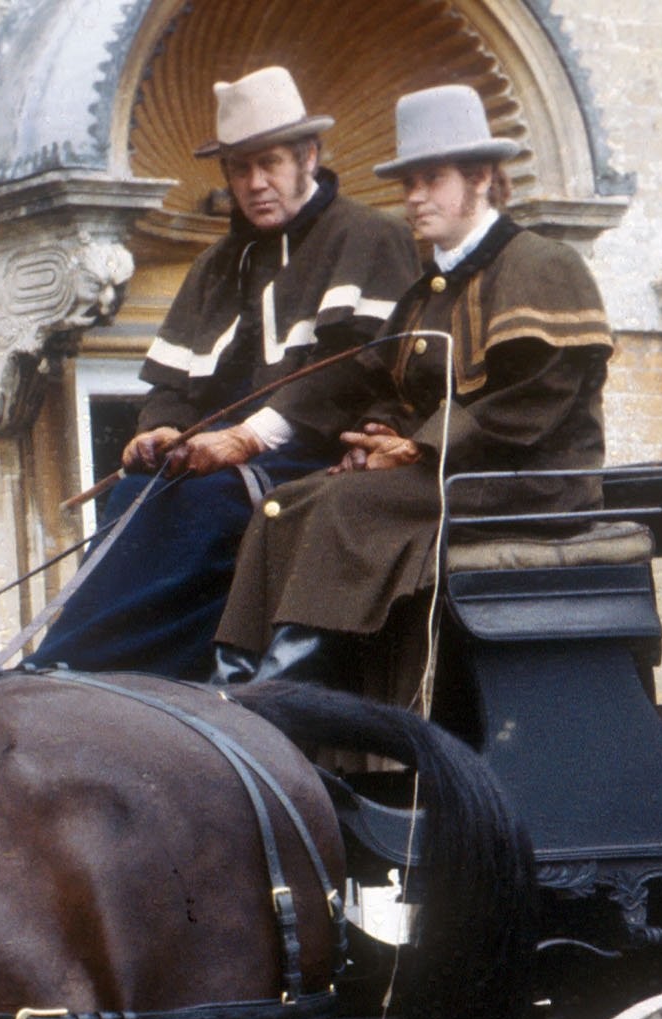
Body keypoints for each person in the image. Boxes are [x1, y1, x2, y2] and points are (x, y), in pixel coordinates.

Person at [211, 82, 612, 689]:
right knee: (283, 504)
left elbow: (538, 396)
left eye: (431, 180)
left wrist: (419, 447)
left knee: (345, 507)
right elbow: (388, 384)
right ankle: (232, 678)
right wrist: (375, 435)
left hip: (525, 481)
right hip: (448, 469)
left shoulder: (542, 263)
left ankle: (280, 691)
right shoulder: (429, 289)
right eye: (408, 185)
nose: (415, 199)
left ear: (480, 177)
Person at [33, 66, 419, 679]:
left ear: (308, 157)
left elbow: (357, 371)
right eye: (240, 169)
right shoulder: (217, 264)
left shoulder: (370, 238)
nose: (255, 183)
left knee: (205, 505)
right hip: (224, 463)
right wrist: (158, 431)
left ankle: (88, 672)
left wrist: (245, 438)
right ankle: (76, 668)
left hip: (315, 459)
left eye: (269, 163)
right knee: (137, 491)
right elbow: (174, 386)